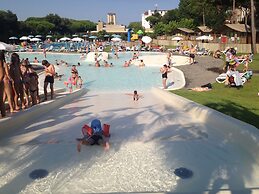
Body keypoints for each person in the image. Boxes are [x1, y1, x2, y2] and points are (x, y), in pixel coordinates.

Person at [0, 51, 6, 117]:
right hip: (1, 82)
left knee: (1, 99)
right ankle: (3, 113)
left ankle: (3, 114)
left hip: (0, 82)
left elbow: (2, 75)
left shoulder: (1, 63)